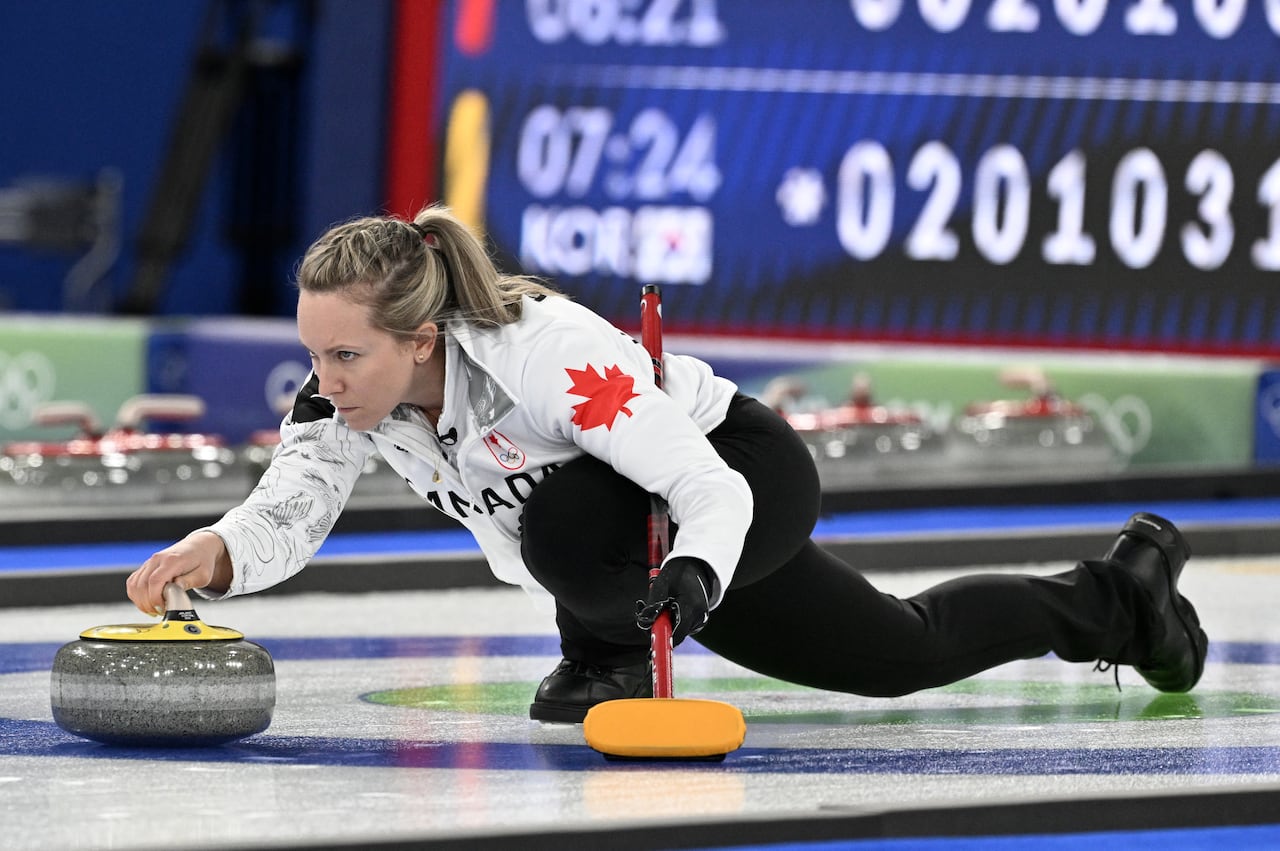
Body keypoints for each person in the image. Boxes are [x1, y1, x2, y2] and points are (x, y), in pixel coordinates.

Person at [126, 204, 1209, 723]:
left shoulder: (547, 355)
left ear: (420, 339)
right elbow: (293, 505)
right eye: (312, 349)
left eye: (343, 352)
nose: (322, 376)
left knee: (560, 520)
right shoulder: (345, 396)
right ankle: (1119, 600)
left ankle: (602, 644)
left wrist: (692, 574)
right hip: (623, 532)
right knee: (893, 652)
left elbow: (707, 487)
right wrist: (216, 552)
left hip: (734, 470)